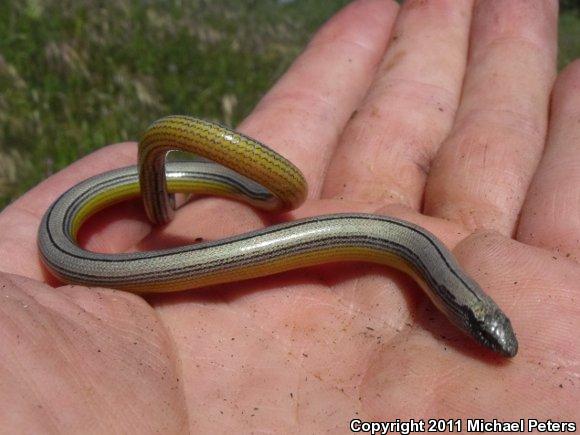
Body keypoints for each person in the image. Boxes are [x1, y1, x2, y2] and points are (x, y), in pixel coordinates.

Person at [0, 0, 578, 432]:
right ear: (461, 309)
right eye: (480, 325)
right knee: (260, 184)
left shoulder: (416, 252)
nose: (484, 335)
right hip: (162, 202)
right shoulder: (416, 251)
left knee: (277, 190)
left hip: (237, 190)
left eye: (481, 326)